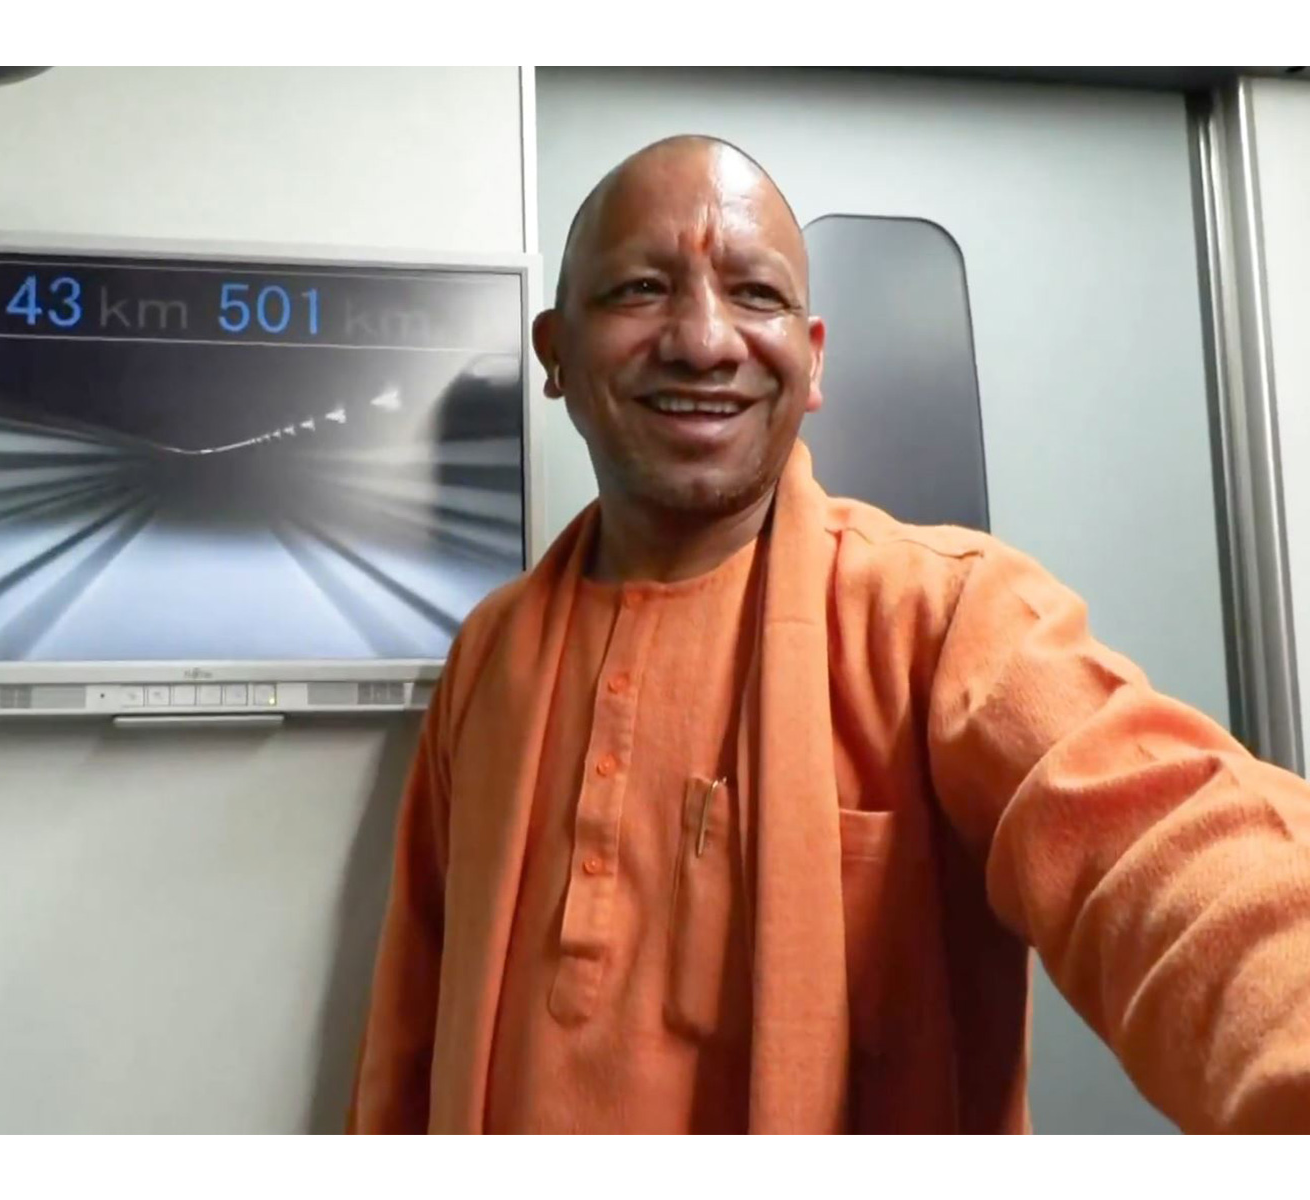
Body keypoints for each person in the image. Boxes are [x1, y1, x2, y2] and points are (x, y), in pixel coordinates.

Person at [348, 135, 1310, 1134]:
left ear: (809, 365)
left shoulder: (942, 615)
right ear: (554, 354)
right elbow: (408, 1024)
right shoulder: (490, 653)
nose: (704, 340)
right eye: (640, 289)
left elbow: (1179, 847)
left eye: (755, 296)